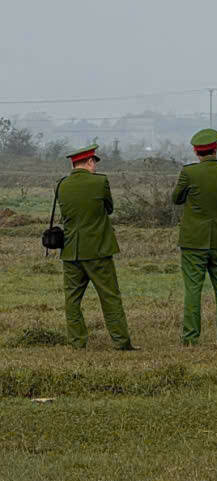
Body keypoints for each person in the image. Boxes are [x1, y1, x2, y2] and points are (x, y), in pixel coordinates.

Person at [58, 144, 136, 351]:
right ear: (90, 162)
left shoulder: (62, 185)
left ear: (73, 164)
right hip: (98, 251)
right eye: (94, 163)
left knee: (72, 300)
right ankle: (121, 341)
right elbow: (109, 208)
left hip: (71, 251)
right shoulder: (100, 182)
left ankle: (77, 342)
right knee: (110, 296)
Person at [172, 128, 217, 346]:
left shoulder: (189, 173)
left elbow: (176, 199)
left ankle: (191, 338)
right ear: (216, 148)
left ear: (195, 151)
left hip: (193, 241)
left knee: (193, 289)